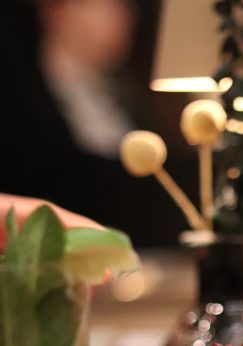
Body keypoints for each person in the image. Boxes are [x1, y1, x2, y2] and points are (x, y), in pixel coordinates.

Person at [0, 1, 199, 248]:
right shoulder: (25, 106)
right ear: (57, 10)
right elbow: (82, 184)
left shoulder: (127, 93)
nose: (126, 17)